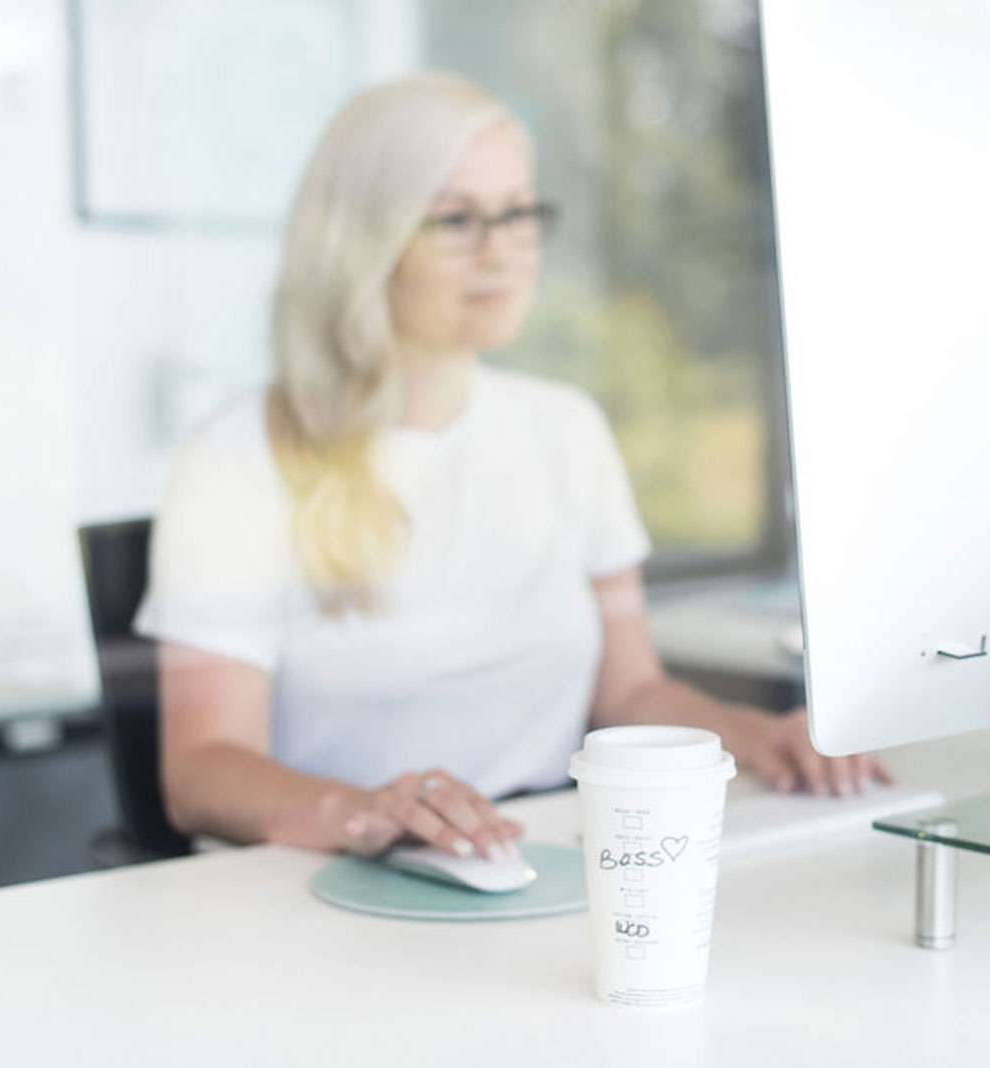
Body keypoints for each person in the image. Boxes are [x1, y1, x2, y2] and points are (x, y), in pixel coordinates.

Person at [135, 72, 887, 865]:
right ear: (364, 240)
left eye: (519, 213)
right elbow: (201, 770)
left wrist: (760, 736)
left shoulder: (565, 429)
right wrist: (372, 815)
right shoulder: (236, 457)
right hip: (331, 880)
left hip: (534, 857)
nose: (501, 252)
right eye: (456, 219)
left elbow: (627, 692)